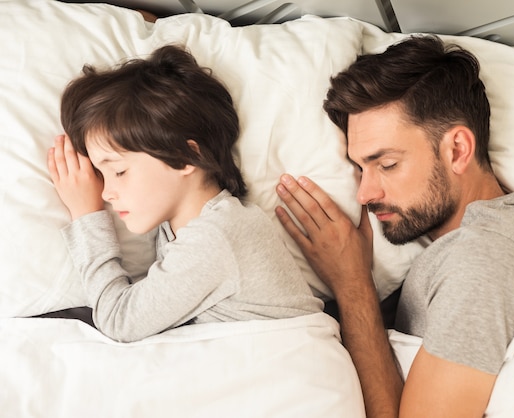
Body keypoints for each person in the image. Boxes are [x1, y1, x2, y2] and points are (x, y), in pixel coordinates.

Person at [275, 35, 514, 418]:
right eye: (359, 169)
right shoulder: (483, 243)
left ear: (457, 150)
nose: (365, 193)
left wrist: (352, 284)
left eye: (386, 165)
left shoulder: (486, 261)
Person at [47, 45, 322, 343]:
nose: (107, 192)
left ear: (184, 158)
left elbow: (119, 321)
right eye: (102, 175)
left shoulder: (218, 235)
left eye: (119, 172)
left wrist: (87, 216)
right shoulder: (184, 228)